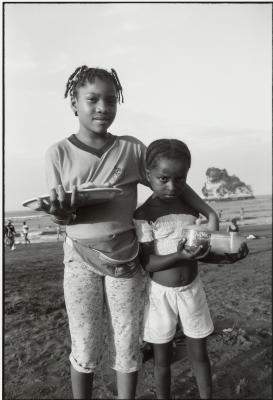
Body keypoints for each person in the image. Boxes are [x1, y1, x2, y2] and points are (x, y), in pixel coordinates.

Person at [37, 65, 219, 400]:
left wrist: (207, 210)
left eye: (110, 100)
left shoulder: (132, 149)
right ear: (74, 103)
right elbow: (60, 214)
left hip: (126, 259)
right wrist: (60, 215)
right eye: (92, 99)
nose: (102, 107)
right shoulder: (58, 153)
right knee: (85, 342)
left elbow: (169, 179)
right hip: (79, 257)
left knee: (127, 340)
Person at [134, 139, 248, 399]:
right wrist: (180, 254)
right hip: (160, 296)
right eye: (163, 178)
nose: (172, 186)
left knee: (200, 355)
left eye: (180, 179)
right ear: (148, 173)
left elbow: (198, 253)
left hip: (192, 291)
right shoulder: (144, 214)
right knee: (163, 360)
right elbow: (148, 264)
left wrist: (225, 258)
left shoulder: (189, 209)